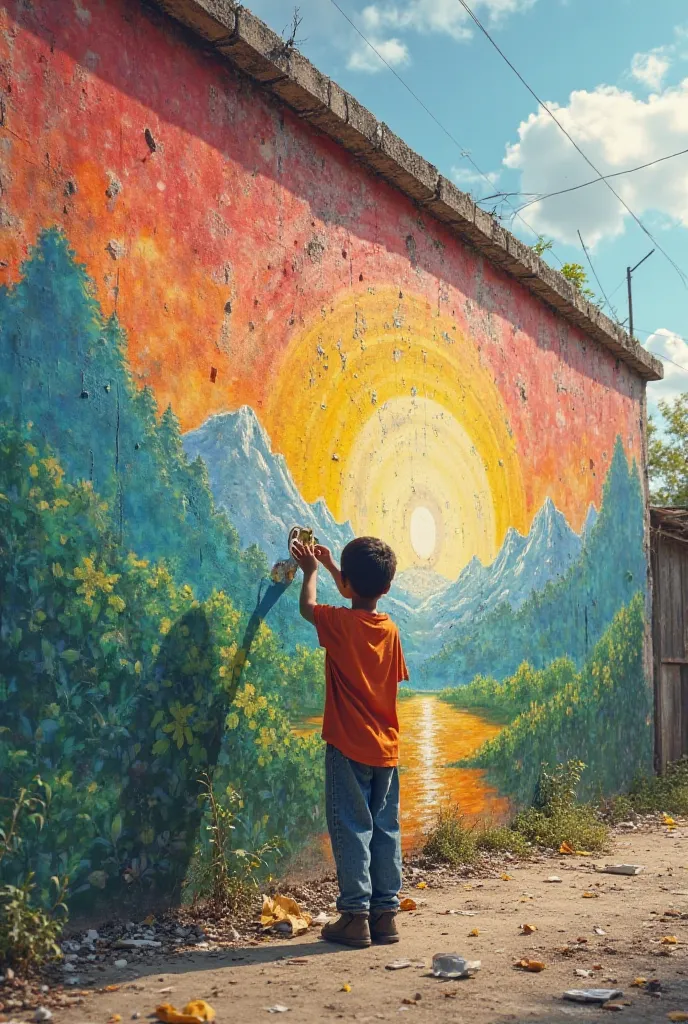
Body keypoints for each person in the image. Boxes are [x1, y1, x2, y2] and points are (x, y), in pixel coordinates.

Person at [290, 534, 409, 948]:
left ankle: (354, 917)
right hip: (386, 750)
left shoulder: (339, 624)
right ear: (387, 587)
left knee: (352, 827)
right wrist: (332, 567)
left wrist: (310, 572)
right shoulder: (390, 629)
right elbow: (357, 592)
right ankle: (385, 915)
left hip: (347, 744)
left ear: (349, 587)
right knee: (384, 828)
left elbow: (308, 607)